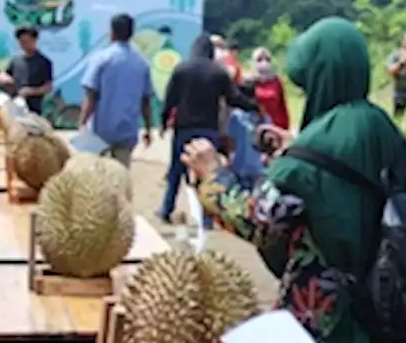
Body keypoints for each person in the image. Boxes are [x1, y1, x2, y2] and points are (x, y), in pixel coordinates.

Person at [181, 17, 406, 343]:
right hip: (380, 308)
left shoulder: (315, 150)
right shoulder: (382, 128)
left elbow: (257, 219)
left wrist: (212, 174)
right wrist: (297, 149)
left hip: (323, 319)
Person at [159, 34, 255, 225]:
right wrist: (253, 106)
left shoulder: (181, 69)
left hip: (184, 127)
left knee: (176, 171)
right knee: (208, 173)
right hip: (208, 129)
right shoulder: (218, 72)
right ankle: (207, 218)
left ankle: (166, 209)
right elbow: (233, 98)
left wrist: (163, 121)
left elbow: (170, 100)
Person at [75, 13, 154, 167]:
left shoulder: (101, 59)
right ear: (131, 34)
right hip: (127, 130)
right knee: (120, 177)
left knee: (97, 176)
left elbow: (91, 95)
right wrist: (148, 128)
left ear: (112, 32)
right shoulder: (142, 63)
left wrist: (82, 123)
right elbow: (145, 101)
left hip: (100, 131)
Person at [0, 26, 54, 115]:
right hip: (14, 107)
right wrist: (3, 78)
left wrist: (30, 91)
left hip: (33, 109)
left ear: (34, 40)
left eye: (26, 41)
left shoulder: (44, 62)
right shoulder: (15, 61)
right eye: (21, 41)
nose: (23, 44)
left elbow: (48, 87)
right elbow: (7, 75)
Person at [250, 47, 292, 132]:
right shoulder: (249, 82)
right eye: (259, 59)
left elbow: (282, 105)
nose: (264, 62)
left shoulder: (276, 81)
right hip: (254, 126)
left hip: (275, 126)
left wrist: (285, 127)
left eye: (267, 59)